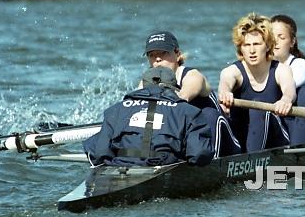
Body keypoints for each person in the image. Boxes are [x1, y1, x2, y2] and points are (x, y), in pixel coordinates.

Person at [83, 67, 213, 167]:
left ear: (144, 85)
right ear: (174, 87)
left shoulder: (116, 109)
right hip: (165, 165)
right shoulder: (189, 111)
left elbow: (99, 152)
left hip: (121, 165)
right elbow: (200, 154)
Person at [144, 30, 239, 157]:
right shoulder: (146, 82)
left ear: (178, 54)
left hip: (224, 143)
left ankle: (211, 164)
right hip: (192, 143)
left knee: (209, 114)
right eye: (152, 55)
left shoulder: (192, 75)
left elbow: (182, 98)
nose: (158, 59)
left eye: (163, 53)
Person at [218, 13, 295, 152]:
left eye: (257, 44)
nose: (252, 50)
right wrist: (225, 93)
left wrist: (286, 100)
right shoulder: (232, 71)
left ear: (268, 46)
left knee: (258, 107)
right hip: (242, 138)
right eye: (246, 45)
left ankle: (252, 159)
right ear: (241, 48)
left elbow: (289, 91)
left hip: (276, 140)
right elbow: (225, 83)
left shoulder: (281, 70)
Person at [271, 14, 305, 145]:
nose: (275, 41)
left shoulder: (300, 65)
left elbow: (284, 87)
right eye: (271, 37)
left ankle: (297, 148)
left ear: (292, 42)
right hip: (283, 126)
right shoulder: (262, 67)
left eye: (281, 37)